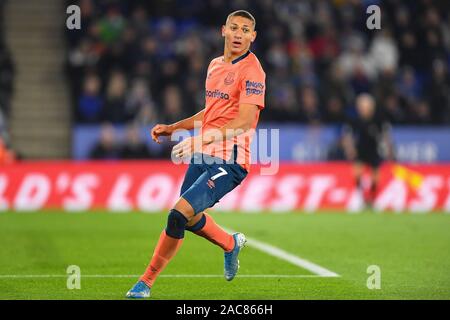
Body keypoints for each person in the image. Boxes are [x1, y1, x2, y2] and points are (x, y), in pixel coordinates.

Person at [126, 10, 266, 298]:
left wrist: (199, 138)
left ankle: (145, 282)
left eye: (245, 30)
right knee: (187, 218)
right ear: (223, 31)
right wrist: (174, 127)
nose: (239, 34)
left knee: (177, 215)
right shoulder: (215, 65)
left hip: (231, 159)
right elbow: (211, 112)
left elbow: (243, 122)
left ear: (253, 36)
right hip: (204, 153)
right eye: (234, 28)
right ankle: (230, 243)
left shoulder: (253, 72)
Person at [343, 93, 392, 207]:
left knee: (375, 176)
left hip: (374, 150)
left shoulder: (379, 119)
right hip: (360, 150)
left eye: (366, 106)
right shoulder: (354, 120)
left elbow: (386, 135)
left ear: (371, 107)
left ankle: (372, 198)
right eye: (361, 107)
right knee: (357, 172)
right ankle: (360, 197)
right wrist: (350, 149)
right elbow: (348, 135)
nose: (363, 109)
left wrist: (388, 149)